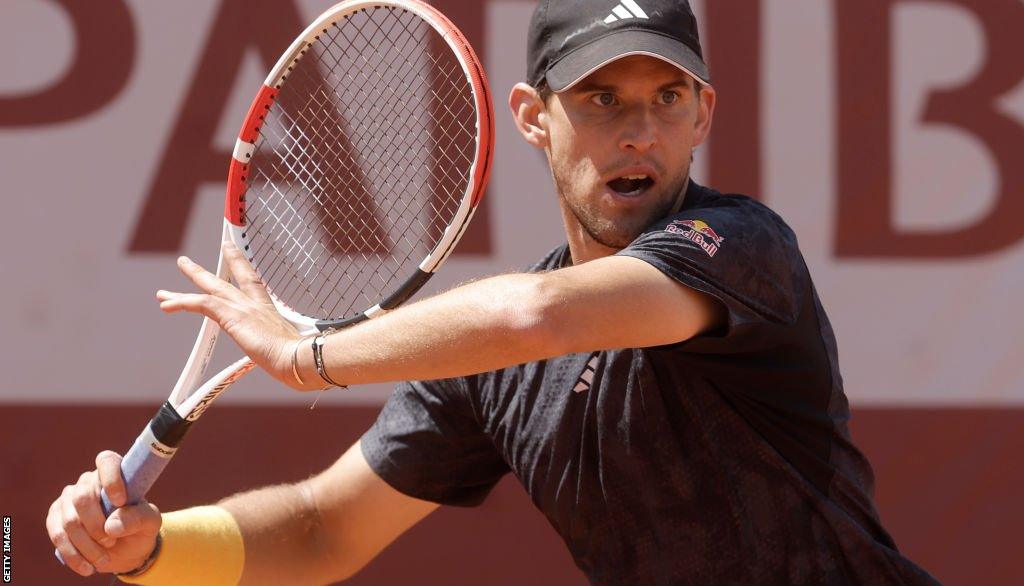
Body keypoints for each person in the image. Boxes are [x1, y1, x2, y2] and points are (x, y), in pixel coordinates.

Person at [47, 0, 938, 583]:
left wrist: (303, 357)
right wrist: (154, 548)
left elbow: (530, 316)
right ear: (531, 116)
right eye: (598, 99)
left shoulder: (744, 248)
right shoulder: (489, 368)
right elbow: (323, 529)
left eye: (668, 98)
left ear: (703, 113)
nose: (639, 133)